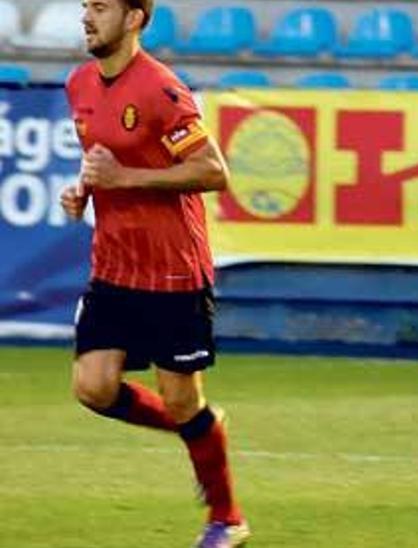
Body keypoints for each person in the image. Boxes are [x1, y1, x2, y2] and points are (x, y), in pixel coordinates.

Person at [60, 1, 247, 546]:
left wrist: (125, 178)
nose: (86, 16)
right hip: (114, 266)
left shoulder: (162, 91)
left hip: (173, 275)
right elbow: (102, 161)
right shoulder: (79, 84)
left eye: (100, 7)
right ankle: (201, 432)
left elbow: (215, 171)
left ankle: (227, 518)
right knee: (93, 388)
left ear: (135, 18)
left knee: (183, 398)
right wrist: (84, 191)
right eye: (85, 6)